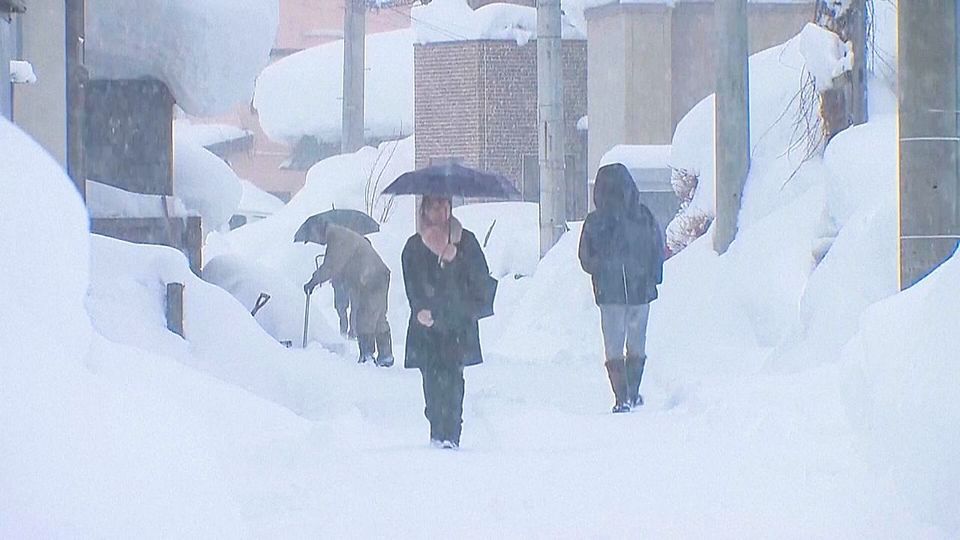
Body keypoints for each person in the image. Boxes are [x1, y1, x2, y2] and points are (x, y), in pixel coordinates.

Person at [402, 196, 491, 449]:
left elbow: (480, 280)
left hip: (456, 325)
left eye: (444, 206)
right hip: (427, 329)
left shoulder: (466, 242)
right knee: (431, 382)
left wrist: (454, 258)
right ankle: (436, 431)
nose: (440, 212)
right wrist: (419, 308)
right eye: (434, 206)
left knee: (453, 381)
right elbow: (412, 283)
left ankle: (451, 436)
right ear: (424, 210)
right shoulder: (414, 246)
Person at [578, 163, 664, 413]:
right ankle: (628, 393)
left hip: (614, 292)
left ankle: (625, 395)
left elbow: (585, 256)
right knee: (635, 343)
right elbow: (656, 248)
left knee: (615, 346)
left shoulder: (597, 221)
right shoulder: (641, 216)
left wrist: (602, 269)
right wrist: (652, 276)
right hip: (634, 291)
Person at [304, 221, 393, 367]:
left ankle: (367, 355)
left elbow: (331, 266)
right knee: (378, 317)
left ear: (318, 231)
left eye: (313, 237)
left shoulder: (337, 237)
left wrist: (313, 282)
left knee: (365, 317)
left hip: (371, 277)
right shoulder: (341, 234)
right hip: (377, 275)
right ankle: (385, 355)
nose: (317, 242)